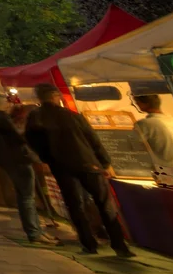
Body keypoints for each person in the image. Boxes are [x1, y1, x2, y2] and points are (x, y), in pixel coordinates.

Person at [25, 83, 133, 257]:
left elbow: (33, 142)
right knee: (104, 204)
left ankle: (89, 244)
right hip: (87, 163)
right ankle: (119, 245)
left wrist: (48, 159)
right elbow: (92, 139)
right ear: (56, 96)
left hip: (61, 166)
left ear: (39, 98)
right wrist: (104, 163)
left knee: (75, 205)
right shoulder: (72, 116)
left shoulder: (35, 118)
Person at [0, 94, 51, 243]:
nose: (10, 105)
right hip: (18, 159)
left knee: (24, 195)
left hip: (3, 160)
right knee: (27, 197)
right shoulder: (1, 118)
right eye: (7, 102)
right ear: (1, 104)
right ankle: (35, 233)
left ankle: (37, 231)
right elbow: (17, 137)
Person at [133, 94, 173, 172]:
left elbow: (133, 148)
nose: (133, 104)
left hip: (167, 174)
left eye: (136, 102)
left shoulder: (144, 124)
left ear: (145, 104)